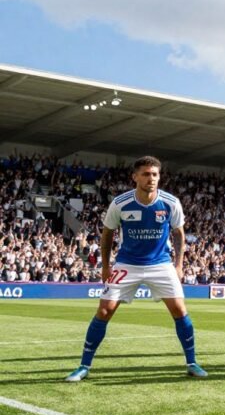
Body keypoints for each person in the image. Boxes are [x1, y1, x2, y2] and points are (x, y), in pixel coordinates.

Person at [65, 156, 206, 381]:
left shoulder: (171, 202)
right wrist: (106, 266)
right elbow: (108, 233)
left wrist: (179, 265)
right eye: (146, 174)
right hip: (127, 264)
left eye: (155, 174)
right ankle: (84, 366)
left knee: (179, 310)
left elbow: (179, 234)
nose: (151, 179)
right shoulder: (120, 203)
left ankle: (191, 362)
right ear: (135, 177)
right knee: (104, 311)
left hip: (161, 264)